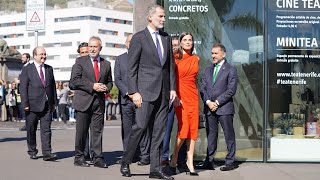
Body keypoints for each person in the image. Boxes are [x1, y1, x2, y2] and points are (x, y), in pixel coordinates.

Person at [120, 5, 177, 180]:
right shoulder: (139, 38)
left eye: (164, 16)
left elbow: (169, 68)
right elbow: (132, 68)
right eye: (160, 16)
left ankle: (155, 169)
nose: (163, 19)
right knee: (140, 127)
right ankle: (126, 161)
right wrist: (134, 92)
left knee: (159, 131)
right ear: (150, 17)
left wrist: (173, 88)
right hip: (144, 93)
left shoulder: (167, 38)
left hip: (163, 92)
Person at [70, 36, 113, 168]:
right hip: (83, 101)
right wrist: (92, 86)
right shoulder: (80, 61)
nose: (92, 49)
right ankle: (79, 157)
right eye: (90, 46)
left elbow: (110, 81)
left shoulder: (107, 64)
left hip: (98, 103)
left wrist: (107, 88)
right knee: (81, 132)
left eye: (95, 46)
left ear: (100, 48)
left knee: (97, 131)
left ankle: (97, 158)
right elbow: (74, 81)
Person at [199, 43, 238, 171]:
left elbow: (231, 90)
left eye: (216, 53)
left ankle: (230, 162)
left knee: (229, 135)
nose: (213, 56)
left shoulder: (231, 69)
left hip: (224, 108)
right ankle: (209, 161)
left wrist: (217, 102)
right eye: (212, 53)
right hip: (209, 108)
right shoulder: (207, 70)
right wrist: (208, 102)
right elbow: (202, 88)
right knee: (211, 136)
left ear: (223, 54)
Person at [114, 35, 150, 165]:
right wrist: (129, 92)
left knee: (142, 127)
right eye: (130, 41)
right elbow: (117, 79)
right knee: (127, 129)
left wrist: (138, 93)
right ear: (126, 43)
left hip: (140, 98)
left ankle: (144, 156)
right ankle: (128, 156)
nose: (132, 43)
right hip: (126, 100)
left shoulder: (143, 58)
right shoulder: (120, 59)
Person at [169, 32, 199, 176]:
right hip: (180, 97)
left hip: (193, 97)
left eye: (190, 40)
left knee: (193, 129)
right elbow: (170, 78)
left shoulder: (196, 58)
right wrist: (173, 94)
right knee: (184, 128)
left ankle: (190, 161)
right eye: (185, 40)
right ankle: (174, 158)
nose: (188, 42)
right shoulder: (175, 58)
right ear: (180, 43)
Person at [20, 46, 58, 161]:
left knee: (46, 130)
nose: (44, 56)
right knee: (31, 129)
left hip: (47, 105)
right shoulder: (27, 69)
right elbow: (23, 87)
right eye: (41, 54)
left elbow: (53, 87)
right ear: (34, 55)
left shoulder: (49, 69)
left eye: (45, 54)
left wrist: (54, 103)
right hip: (32, 105)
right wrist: (25, 104)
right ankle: (32, 150)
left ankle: (47, 153)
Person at [161, 36, 187, 170]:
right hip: (170, 99)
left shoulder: (184, 59)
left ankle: (181, 159)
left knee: (183, 130)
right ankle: (164, 157)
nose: (175, 47)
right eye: (173, 45)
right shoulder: (166, 59)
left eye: (177, 44)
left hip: (183, 98)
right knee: (167, 130)